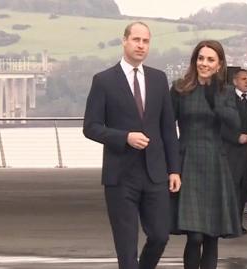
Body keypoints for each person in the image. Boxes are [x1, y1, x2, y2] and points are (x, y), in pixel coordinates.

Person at [83, 21, 181, 269]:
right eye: (136, 40)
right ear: (124, 41)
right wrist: (124, 137)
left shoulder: (159, 79)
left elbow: (168, 129)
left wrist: (174, 169)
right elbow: (91, 127)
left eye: (146, 41)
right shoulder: (104, 80)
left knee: (160, 235)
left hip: (155, 174)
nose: (141, 45)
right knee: (126, 249)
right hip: (120, 176)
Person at [171, 40, 242, 269]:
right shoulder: (180, 88)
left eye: (210, 59)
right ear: (195, 61)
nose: (204, 63)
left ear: (219, 64)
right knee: (195, 236)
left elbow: (234, 125)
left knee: (212, 235)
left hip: (214, 163)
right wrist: (171, 166)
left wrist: (214, 99)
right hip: (188, 161)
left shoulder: (226, 91)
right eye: (201, 58)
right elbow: (166, 127)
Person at [221, 68, 247, 234]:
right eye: (243, 79)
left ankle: (237, 224)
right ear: (234, 82)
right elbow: (219, 125)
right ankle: (226, 225)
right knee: (230, 188)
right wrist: (236, 137)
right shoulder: (226, 100)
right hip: (231, 151)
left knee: (241, 190)